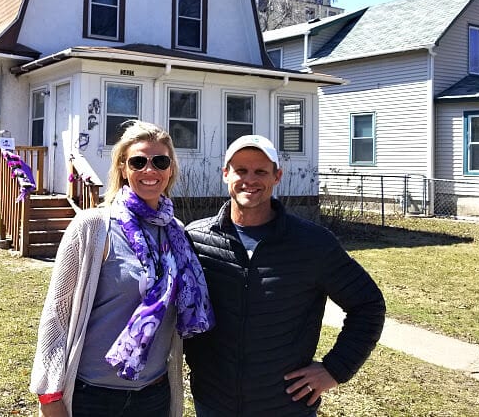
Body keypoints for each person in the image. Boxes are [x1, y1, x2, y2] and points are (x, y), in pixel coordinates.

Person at [184, 134, 386, 416]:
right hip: (214, 402)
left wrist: (335, 369)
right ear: (225, 174)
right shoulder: (196, 239)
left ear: (277, 176)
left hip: (286, 405)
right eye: (241, 170)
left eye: (261, 171)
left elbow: (368, 305)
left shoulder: (313, 243)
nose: (250, 180)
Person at [30, 121, 214, 417]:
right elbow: (57, 314)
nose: (149, 170)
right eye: (138, 161)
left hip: (153, 395)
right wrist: (49, 394)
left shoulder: (177, 234)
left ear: (170, 170)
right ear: (123, 168)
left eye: (160, 161)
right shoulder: (92, 227)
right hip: (93, 395)